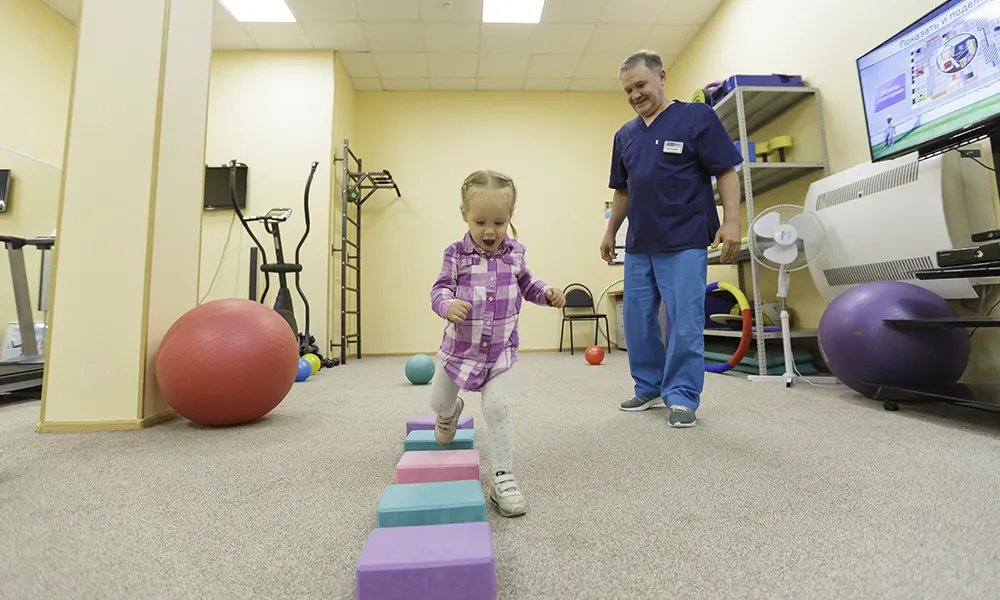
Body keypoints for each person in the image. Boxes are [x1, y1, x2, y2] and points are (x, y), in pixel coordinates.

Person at [602, 49, 744, 428]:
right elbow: (623, 192)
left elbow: (726, 171)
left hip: (685, 238)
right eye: (628, 90)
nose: (635, 95)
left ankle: (681, 394)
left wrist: (732, 222)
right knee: (636, 320)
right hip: (639, 244)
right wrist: (610, 231)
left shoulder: (696, 117)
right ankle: (648, 385)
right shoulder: (625, 136)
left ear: (661, 77)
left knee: (684, 322)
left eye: (641, 85)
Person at [429, 169, 566, 517]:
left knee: (498, 408)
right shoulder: (455, 254)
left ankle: (503, 478)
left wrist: (547, 293)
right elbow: (439, 289)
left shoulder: (515, 254)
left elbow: (528, 284)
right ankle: (450, 415)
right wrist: (447, 305)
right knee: (438, 402)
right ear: (463, 214)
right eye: (480, 221)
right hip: (458, 351)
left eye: (499, 222)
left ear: (510, 217)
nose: (490, 230)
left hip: (499, 351)